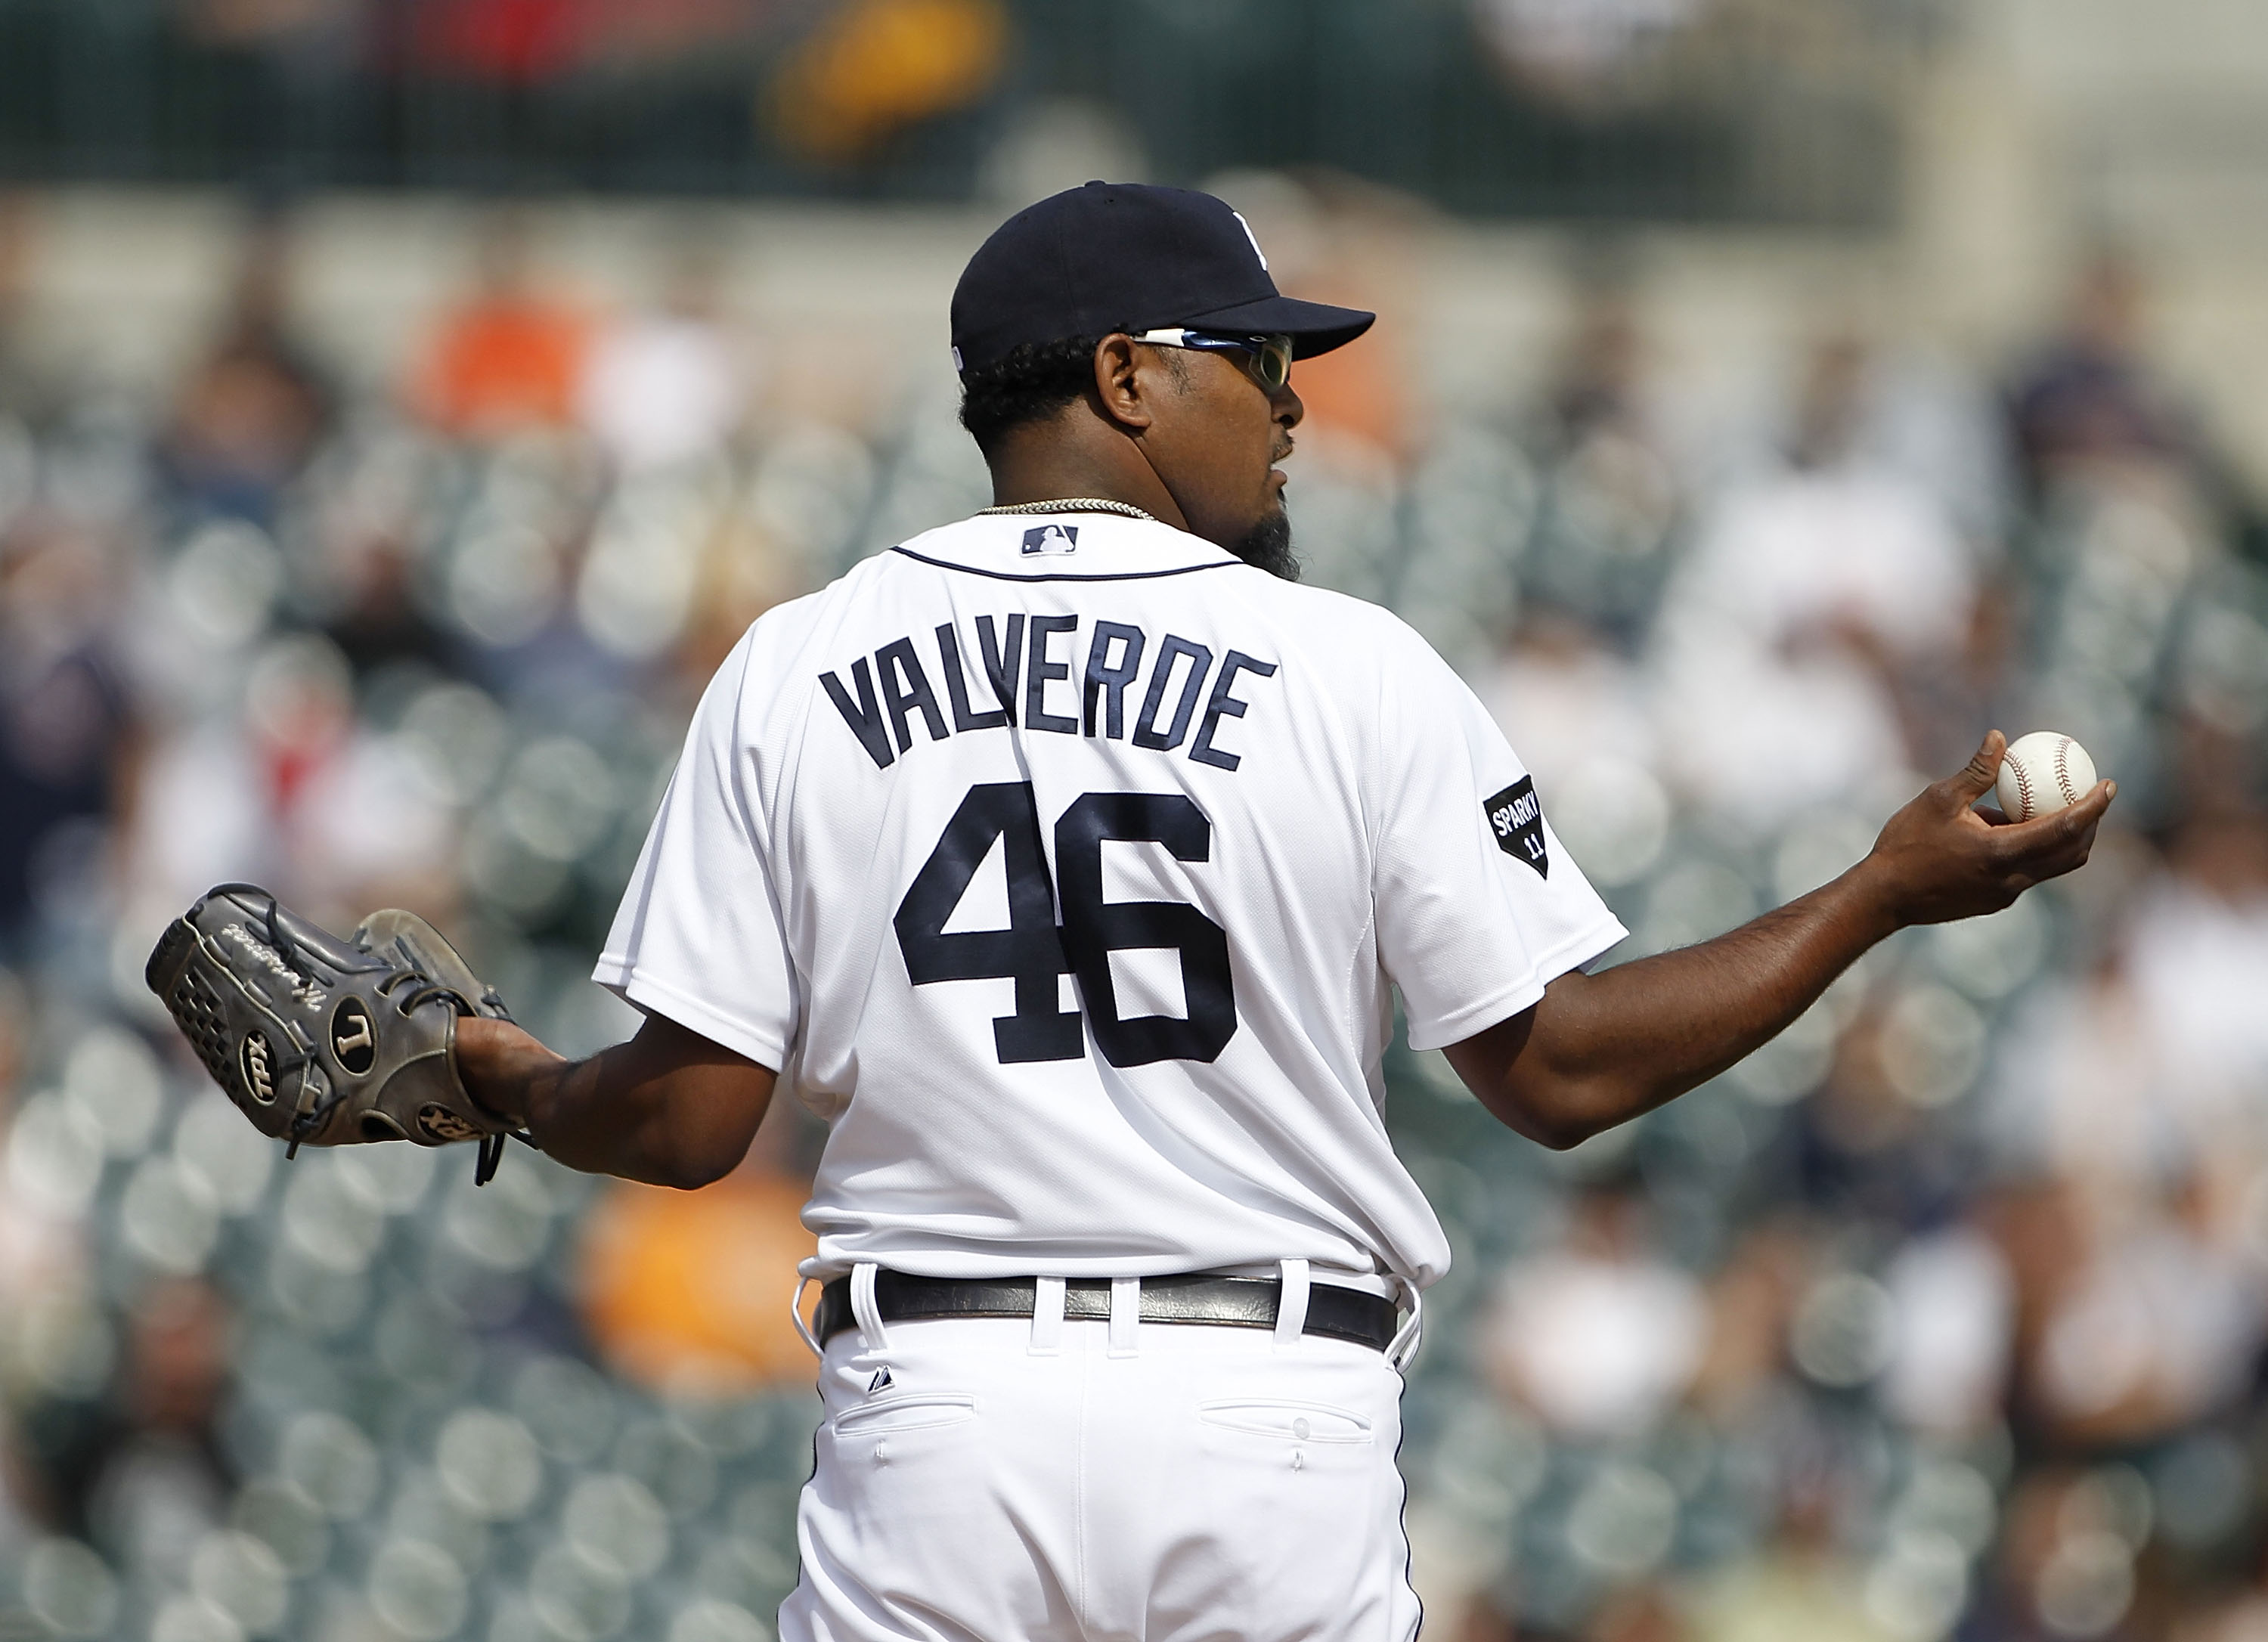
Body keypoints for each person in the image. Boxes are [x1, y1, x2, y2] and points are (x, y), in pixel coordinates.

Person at [450, 182, 2112, 1641]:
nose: (1292, 404)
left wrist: (504, 1076)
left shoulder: (797, 667)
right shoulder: (1346, 666)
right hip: (1261, 1419)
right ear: (1125, 377)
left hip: (940, 1426)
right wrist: (1882, 890)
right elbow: (1563, 1074)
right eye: (1253, 360)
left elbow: (681, 1122)